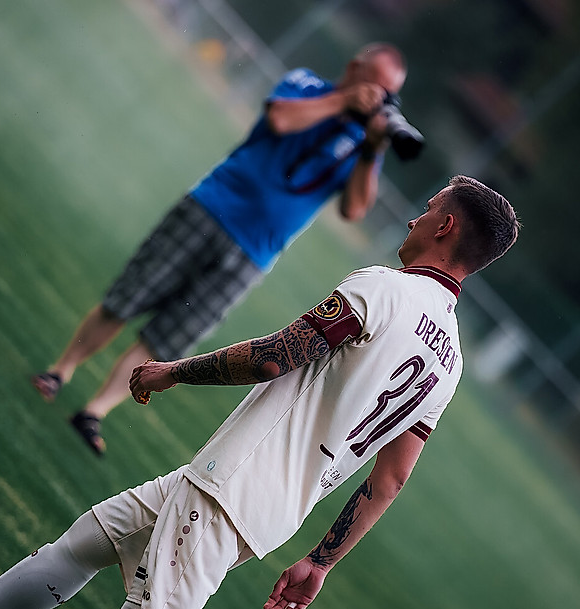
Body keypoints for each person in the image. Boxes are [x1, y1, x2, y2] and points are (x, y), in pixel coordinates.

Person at [0, 175, 521, 609]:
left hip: (230, 486)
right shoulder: (451, 362)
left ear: (445, 225)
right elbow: (391, 479)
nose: (413, 218)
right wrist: (321, 562)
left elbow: (274, 357)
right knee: (89, 541)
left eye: (427, 208)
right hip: (265, 506)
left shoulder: (383, 289)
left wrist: (174, 371)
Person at [32, 42, 409, 456]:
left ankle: (94, 411)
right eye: (376, 84)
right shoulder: (307, 85)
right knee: (126, 300)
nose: (380, 98)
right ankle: (60, 371)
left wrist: (373, 148)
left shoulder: (362, 141)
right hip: (210, 208)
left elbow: (354, 209)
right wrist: (342, 102)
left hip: (254, 254)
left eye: (389, 93)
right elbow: (281, 119)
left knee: (168, 338)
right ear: (354, 68)